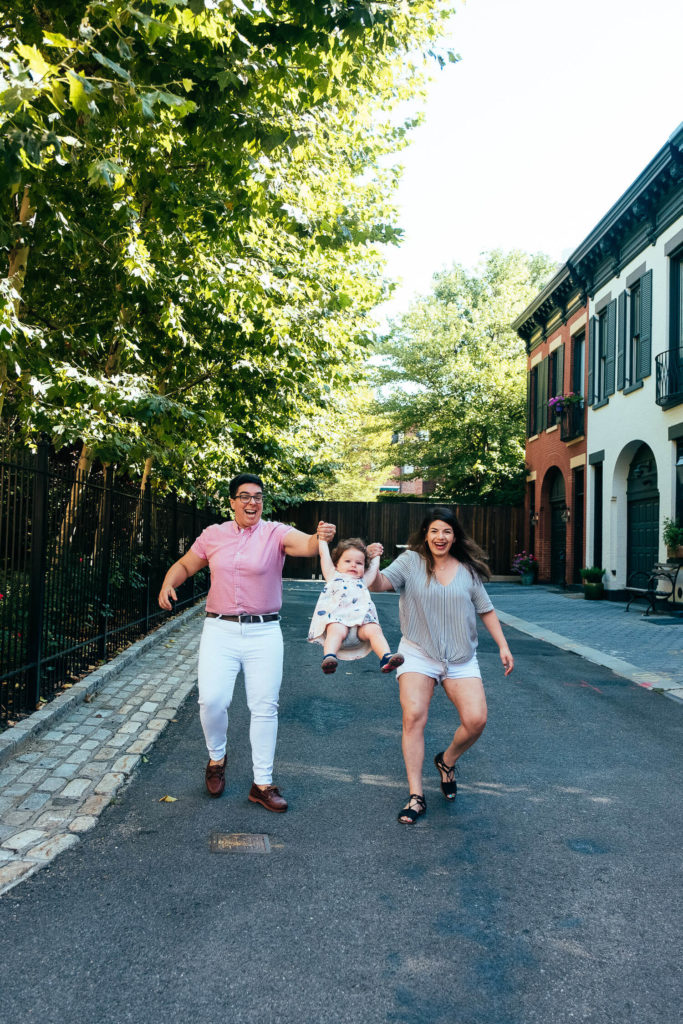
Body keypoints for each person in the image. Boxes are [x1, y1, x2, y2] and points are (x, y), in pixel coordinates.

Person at [158, 473, 335, 813]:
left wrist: (321, 536)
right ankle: (216, 759)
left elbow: (309, 544)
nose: (252, 502)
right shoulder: (213, 535)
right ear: (232, 502)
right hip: (219, 630)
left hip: (264, 633)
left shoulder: (275, 533)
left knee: (265, 706)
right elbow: (185, 565)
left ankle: (262, 784)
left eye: (258, 496)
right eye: (245, 496)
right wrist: (168, 583)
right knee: (212, 701)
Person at [370, 506, 513, 825]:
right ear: (425, 535)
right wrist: (372, 560)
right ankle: (416, 796)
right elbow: (378, 584)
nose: (440, 536)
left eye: (447, 531)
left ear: (454, 537)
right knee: (413, 716)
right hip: (418, 653)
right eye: (434, 530)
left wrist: (503, 646)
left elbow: (486, 609)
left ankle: (446, 761)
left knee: (476, 720)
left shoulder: (468, 570)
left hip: (460, 657)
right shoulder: (410, 562)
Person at [307, 537, 404, 675]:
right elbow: (324, 555)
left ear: (364, 567)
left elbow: (373, 568)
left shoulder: (363, 581)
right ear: (336, 564)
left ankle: (386, 657)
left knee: (375, 630)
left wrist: (376, 555)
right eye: (347, 561)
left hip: (361, 625)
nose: (353, 565)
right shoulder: (333, 575)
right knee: (335, 630)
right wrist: (322, 539)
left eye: (359, 563)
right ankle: (329, 657)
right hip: (339, 622)